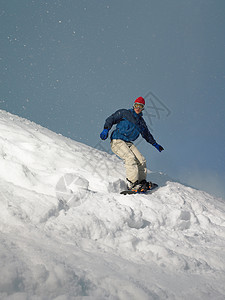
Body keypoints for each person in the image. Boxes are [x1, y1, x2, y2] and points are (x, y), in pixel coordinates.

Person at [100, 97, 164, 192]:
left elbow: (146, 134)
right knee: (130, 158)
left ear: (143, 108)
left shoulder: (141, 122)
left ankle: (141, 182)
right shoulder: (125, 113)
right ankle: (132, 183)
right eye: (136, 105)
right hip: (117, 140)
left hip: (128, 142)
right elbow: (111, 119)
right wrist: (106, 129)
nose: (137, 108)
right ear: (133, 105)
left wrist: (155, 144)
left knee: (141, 160)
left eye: (140, 106)